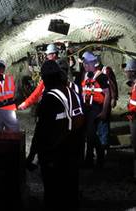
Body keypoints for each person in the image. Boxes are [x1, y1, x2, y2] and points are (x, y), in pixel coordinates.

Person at [31, 60, 84, 210]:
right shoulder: (72, 92)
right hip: (73, 150)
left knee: (53, 192)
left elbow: (41, 130)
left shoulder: (50, 97)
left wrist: (33, 154)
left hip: (56, 153)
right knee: (70, 188)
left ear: (47, 77)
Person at [81, 51, 111, 168]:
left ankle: (90, 159)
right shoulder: (86, 76)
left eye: (87, 63)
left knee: (90, 134)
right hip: (87, 108)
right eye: (84, 63)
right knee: (91, 134)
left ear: (94, 63)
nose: (85, 65)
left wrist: (104, 111)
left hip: (96, 108)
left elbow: (108, 94)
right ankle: (99, 157)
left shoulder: (101, 77)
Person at [18, 43, 59, 110]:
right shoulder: (62, 64)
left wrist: (26, 103)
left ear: (54, 54)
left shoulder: (52, 70)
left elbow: (38, 90)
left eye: (48, 54)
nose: (47, 56)